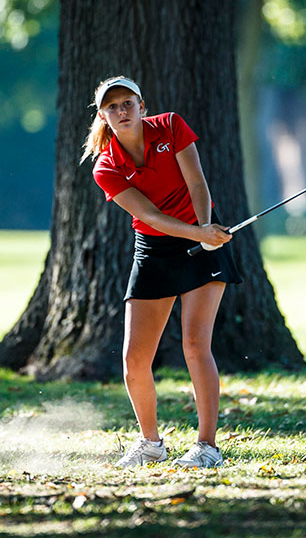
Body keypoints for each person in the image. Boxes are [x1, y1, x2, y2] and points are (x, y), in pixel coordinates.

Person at [82, 76, 242, 468]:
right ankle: (150, 443)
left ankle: (207, 447)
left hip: (203, 236)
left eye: (128, 103)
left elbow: (196, 181)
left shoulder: (170, 125)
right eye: (113, 106)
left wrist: (206, 230)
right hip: (155, 247)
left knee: (194, 344)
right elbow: (150, 216)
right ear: (103, 114)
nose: (122, 111)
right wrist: (198, 233)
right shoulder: (106, 167)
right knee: (134, 358)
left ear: (142, 105)